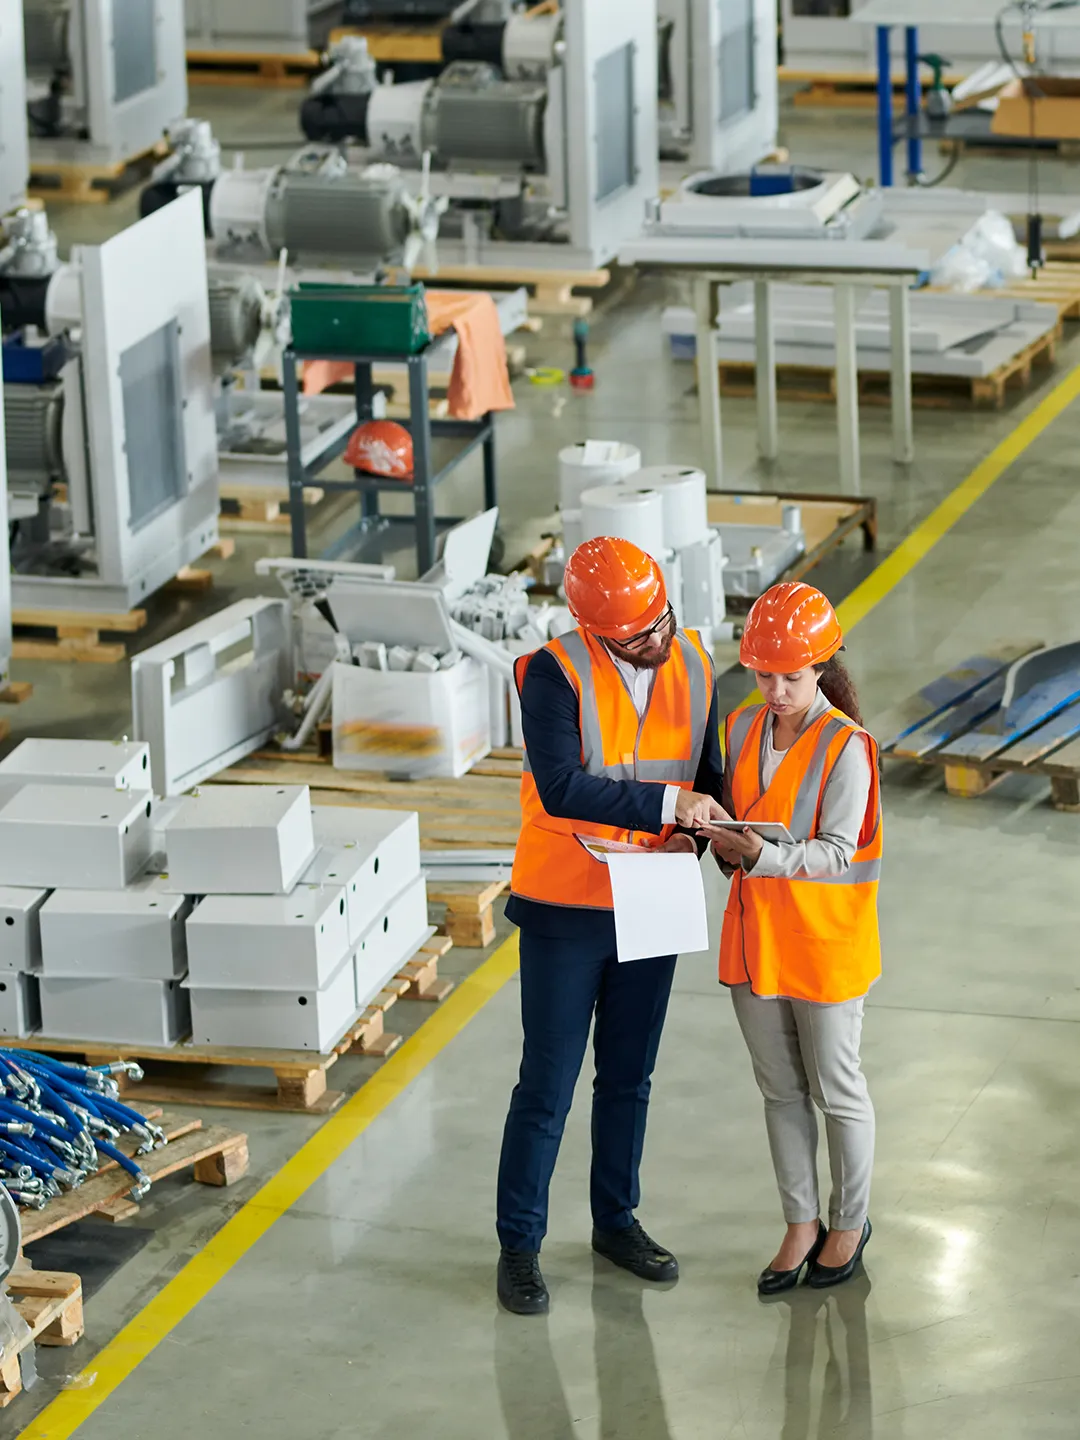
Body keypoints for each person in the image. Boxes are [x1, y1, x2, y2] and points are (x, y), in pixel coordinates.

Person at [496, 536, 726, 1316]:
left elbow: (710, 772)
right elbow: (560, 787)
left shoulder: (693, 662)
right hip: (568, 905)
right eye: (638, 635)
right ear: (596, 629)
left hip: (654, 894)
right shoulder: (550, 675)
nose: (657, 640)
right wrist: (672, 808)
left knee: (629, 1077)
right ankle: (519, 1247)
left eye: (662, 621)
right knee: (548, 1084)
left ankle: (616, 1222)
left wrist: (726, 836)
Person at [707, 582, 881, 1294]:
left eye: (792, 676)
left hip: (824, 944)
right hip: (757, 938)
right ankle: (800, 1222)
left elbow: (839, 852)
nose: (775, 690)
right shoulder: (743, 728)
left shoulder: (849, 747)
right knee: (780, 1091)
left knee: (836, 1091)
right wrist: (722, 844)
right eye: (764, 674)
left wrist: (761, 857)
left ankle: (849, 1221)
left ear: (822, 668)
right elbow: (743, 815)